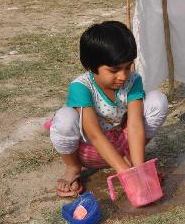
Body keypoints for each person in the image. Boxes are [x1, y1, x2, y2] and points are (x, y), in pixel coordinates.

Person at [48, 21, 169, 197]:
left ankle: (132, 161)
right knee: (65, 118)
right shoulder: (81, 87)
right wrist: (126, 173)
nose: (123, 76)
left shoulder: (133, 81)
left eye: (128, 67)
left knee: (158, 100)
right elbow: (94, 135)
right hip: (89, 150)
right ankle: (73, 168)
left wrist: (138, 171)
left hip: (120, 144)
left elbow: (135, 124)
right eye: (114, 70)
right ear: (90, 67)